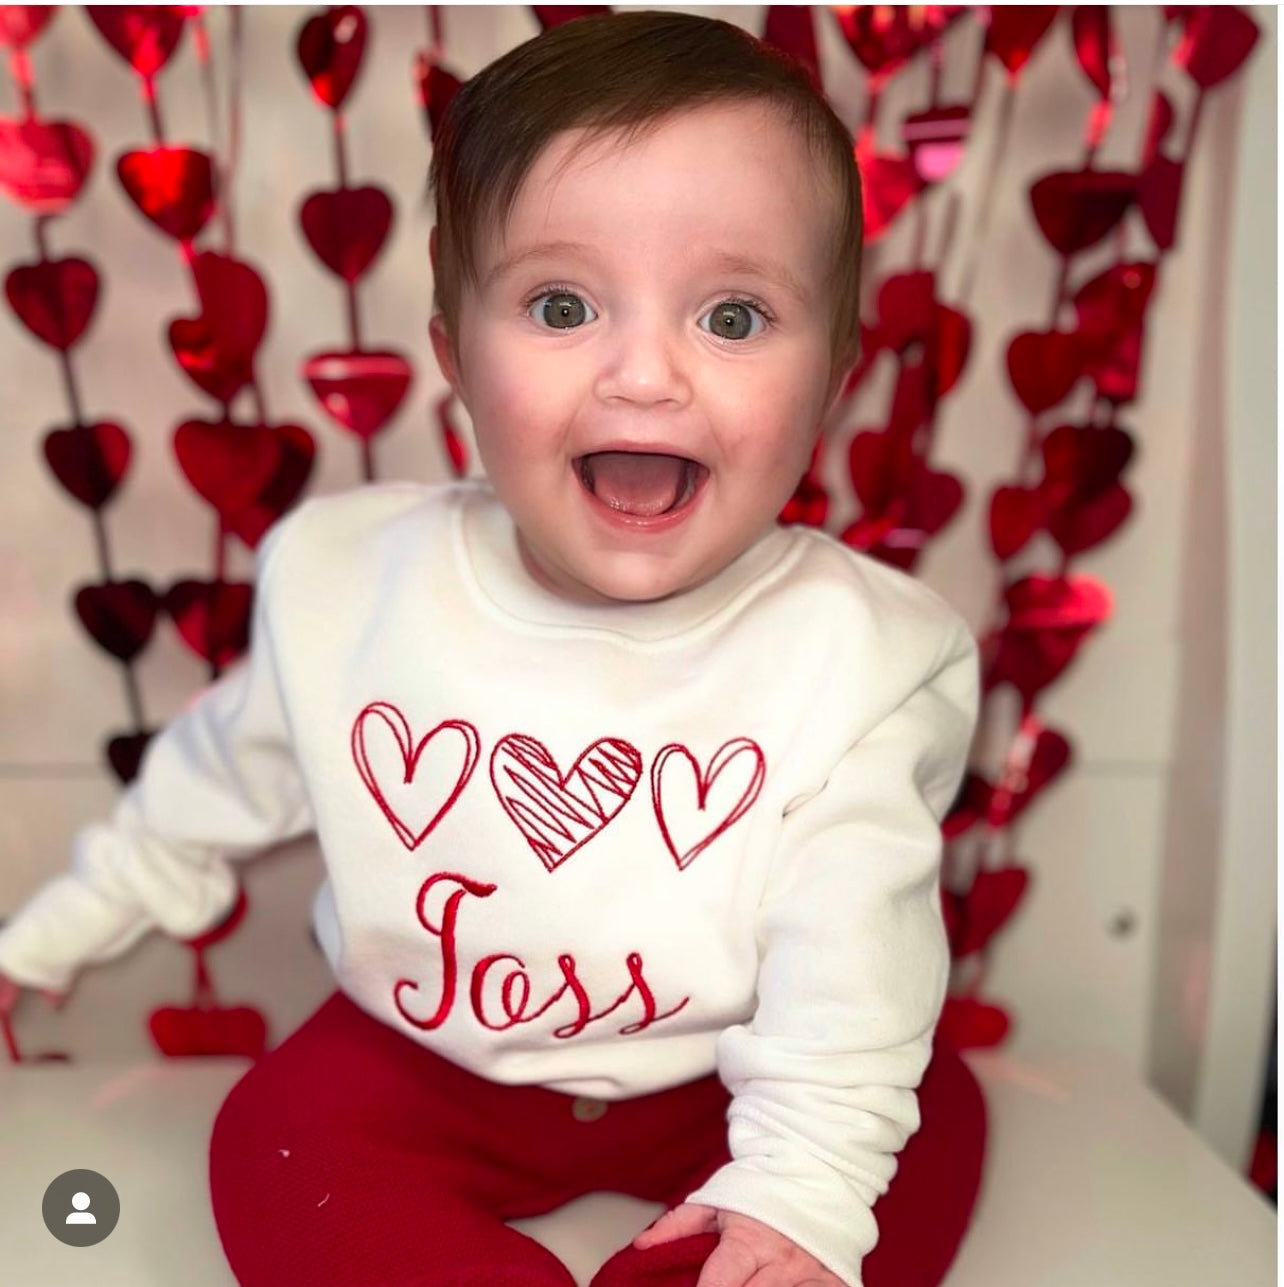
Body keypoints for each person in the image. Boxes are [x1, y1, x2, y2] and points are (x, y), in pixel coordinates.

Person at [0, 11, 984, 1287]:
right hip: (424, 1063)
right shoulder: (349, 584)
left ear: (834, 380)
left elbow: (858, 949)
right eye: (562, 304)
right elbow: (216, 777)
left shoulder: (864, 653)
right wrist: (39, 944)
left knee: (915, 1119)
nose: (645, 375)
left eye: (734, 317)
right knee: (277, 1141)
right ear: (455, 360)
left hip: (740, 1068)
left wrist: (802, 1186)